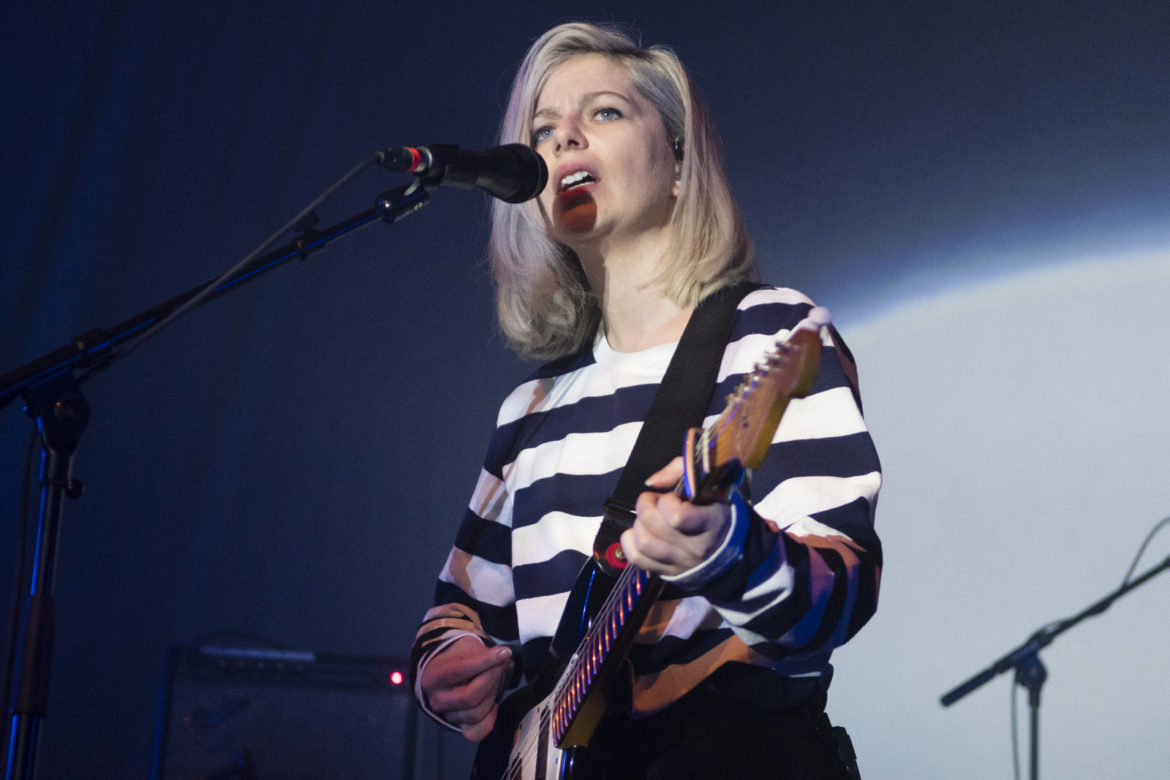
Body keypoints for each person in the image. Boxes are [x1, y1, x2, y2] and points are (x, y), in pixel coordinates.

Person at [410, 21, 881, 779]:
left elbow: (840, 593)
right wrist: (449, 673)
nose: (563, 141)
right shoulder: (530, 410)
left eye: (603, 113)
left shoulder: (770, 337)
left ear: (679, 165)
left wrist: (726, 553)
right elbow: (459, 608)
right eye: (542, 129)